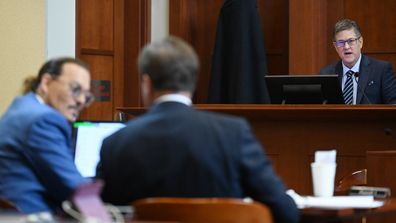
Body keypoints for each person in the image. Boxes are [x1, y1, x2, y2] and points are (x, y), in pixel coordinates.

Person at [96, 36, 299, 223]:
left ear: (147, 83)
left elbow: (97, 214)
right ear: (192, 82)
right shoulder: (233, 133)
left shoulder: (115, 144)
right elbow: (285, 211)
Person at [0, 57, 93, 213]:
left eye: (86, 95)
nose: (81, 100)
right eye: (75, 89)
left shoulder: (22, 107)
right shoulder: (44, 119)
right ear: (46, 82)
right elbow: (75, 188)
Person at [320, 18, 396, 104]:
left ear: (360, 42)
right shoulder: (327, 73)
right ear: (335, 46)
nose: (346, 47)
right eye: (341, 42)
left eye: (351, 41)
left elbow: (393, 105)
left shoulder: (381, 70)